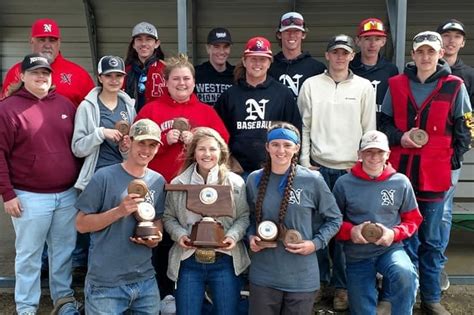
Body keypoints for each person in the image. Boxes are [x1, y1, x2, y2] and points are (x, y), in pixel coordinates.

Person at [379, 31, 472, 315]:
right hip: (400, 175)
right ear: (413, 55)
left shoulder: (454, 86)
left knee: (431, 240)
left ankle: (431, 298)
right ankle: (393, 296)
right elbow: (382, 124)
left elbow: (467, 126)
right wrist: (399, 137)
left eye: (432, 52)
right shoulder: (395, 84)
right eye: (421, 51)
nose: (426, 57)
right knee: (399, 237)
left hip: (436, 176)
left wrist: (453, 158)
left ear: (440, 54)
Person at [135, 53, 229, 302]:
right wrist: (164, 143)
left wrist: (198, 138)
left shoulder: (205, 112)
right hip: (159, 186)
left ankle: (191, 292)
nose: (181, 83)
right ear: (166, 82)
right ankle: (162, 294)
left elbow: (223, 142)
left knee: (190, 238)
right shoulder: (151, 109)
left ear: (194, 82)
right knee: (159, 240)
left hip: (196, 191)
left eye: (186, 78)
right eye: (176, 78)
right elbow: (136, 146)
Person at [298, 34, 376, 311]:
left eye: (345, 53)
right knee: (317, 228)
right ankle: (319, 282)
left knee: (344, 232)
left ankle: (341, 287)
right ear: (328, 55)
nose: (340, 57)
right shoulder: (311, 85)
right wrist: (305, 162)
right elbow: (305, 126)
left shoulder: (365, 87)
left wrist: (364, 166)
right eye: (335, 53)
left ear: (352, 56)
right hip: (318, 168)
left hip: (349, 170)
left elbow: (369, 129)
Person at [0, 53, 82, 314]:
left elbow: (77, 146)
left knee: (63, 253)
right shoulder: (8, 108)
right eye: (34, 72)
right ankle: (26, 307)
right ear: (22, 76)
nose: (41, 77)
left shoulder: (65, 105)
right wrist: (7, 194)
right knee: (29, 256)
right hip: (28, 197)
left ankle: (63, 301)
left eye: (45, 72)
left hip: (67, 195)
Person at [246, 122, 342, 315]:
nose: (281, 150)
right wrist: (250, 237)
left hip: (301, 277)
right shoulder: (253, 180)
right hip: (264, 275)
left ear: (296, 148)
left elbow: (334, 219)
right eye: (275, 144)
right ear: (267, 147)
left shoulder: (312, 180)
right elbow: (247, 218)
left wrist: (315, 244)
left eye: (287, 145)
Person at [75, 118, 166, 314]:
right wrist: (119, 211)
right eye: (141, 142)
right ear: (129, 141)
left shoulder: (158, 180)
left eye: (152, 145)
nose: (146, 150)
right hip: (106, 283)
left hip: (145, 281)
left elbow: (157, 221)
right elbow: (81, 224)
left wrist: (154, 238)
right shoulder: (104, 176)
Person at [333, 130, 422, 315]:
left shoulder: (400, 182)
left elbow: (413, 219)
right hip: (357, 255)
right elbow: (332, 222)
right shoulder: (344, 184)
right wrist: (351, 231)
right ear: (359, 154)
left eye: (380, 152)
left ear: (388, 154)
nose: (374, 157)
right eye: (368, 152)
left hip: (389, 249)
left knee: (405, 274)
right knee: (362, 310)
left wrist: (394, 234)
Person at [163, 127, 250, 315]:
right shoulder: (179, 183)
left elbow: (243, 217)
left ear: (221, 152)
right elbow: (168, 217)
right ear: (194, 152)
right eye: (202, 149)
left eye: (212, 149)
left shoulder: (236, 183)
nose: (207, 154)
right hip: (189, 260)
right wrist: (179, 235)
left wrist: (233, 236)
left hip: (225, 259)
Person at [215, 36, 302, 178]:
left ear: (269, 63)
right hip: (237, 172)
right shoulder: (230, 96)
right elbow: (217, 133)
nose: (257, 63)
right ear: (244, 61)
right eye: (253, 58)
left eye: (262, 59)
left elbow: (295, 132)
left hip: (275, 169)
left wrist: (288, 162)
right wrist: (229, 160)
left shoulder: (282, 94)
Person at [436, 18, 474, 291]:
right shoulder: (422, 69)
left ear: (463, 42)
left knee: (444, 213)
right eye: (446, 36)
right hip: (419, 155)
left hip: (448, 157)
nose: (450, 41)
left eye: (455, 36)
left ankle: (437, 267)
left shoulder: (467, 75)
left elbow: (470, 119)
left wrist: (460, 151)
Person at [72, 55, 136, 190]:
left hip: (124, 174)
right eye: (108, 76)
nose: (114, 80)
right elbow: (78, 149)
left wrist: (125, 148)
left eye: (118, 76)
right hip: (96, 176)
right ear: (100, 78)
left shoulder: (129, 107)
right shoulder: (87, 107)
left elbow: (132, 148)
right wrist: (100, 133)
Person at [2, 18, 95, 107]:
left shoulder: (79, 74)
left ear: (59, 43)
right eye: (42, 40)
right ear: (32, 41)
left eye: (52, 40)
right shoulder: (17, 71)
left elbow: (94, 112)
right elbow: (5, 109)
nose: (47, 45)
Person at [350, 18, 399, 126]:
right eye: (367, 39)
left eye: (377, 39)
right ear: (357, 41)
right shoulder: (349, 67)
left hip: (380, 133)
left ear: (383, 42)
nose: (372, 44)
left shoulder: (391, 70)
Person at [268, 12, 326, 99]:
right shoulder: (268, 67)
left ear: (303, 35)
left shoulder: (317, 68)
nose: (291, 35)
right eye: (287, 31)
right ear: (279, 35)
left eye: (297, 31)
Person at [124, 21, 167, 113]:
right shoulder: (124, 71)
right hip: (130, 120)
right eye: (139, 39)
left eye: (148, 39)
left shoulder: (167, 70)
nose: (143, 44)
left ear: (157, 44)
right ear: (133, 44)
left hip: (158, 119)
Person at [195, 27, 235, 106]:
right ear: (208, 48)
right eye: (217, 47)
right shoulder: (196, 73)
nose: (221, 52)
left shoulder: (237, 74)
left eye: (225, 47)